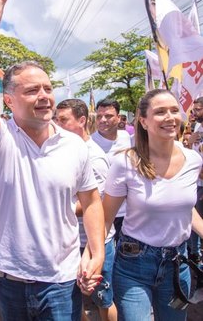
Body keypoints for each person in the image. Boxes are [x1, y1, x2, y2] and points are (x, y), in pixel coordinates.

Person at [0, 0, 105, 319]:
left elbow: (91, 201)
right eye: (32, 90)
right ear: (9, 100)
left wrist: (96, 252)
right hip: (10, 281)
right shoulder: (0, 139)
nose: (44, 95)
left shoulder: (74, 144)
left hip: (62, 282)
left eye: (48, 88)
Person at [103, 89, 203, 320]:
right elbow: (105, 218)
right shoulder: (124, 162)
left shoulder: (193, 160)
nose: (170, 117)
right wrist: (96, 257)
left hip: (178, 267)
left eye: (174, 110)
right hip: (133, 266)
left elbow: (184, 208)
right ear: (143, 121)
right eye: (160, 112)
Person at [55, 99, 117, 321]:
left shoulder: (94, 156)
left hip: (96, 241)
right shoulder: (63, 150)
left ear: (81, 121)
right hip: (70, 241)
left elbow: (96, 203)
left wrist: (56, 207)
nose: (56, 124)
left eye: (63, 120)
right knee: (73, 299)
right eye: (55, 119)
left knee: (103, 299)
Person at [92, 98, 132, 242]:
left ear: (118, 118)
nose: (103, 120)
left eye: (108, 116)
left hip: (128, 213)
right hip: (103, 213)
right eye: (99, 116)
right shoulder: (89, 144)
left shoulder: (127, 137)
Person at [186, 96, 203, 265]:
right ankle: (195, 257)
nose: (195, 113)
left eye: (198, 109)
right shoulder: (197, 127)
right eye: (194, 109)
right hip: (196, 184)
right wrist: (189, 143)